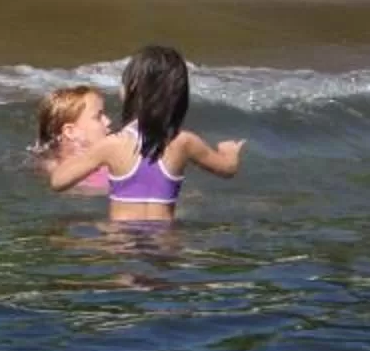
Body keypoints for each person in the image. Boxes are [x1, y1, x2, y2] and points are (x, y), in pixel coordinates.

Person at [39, 45, 243, 221]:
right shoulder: (184, 142)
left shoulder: (113, 145)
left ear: (130, 89)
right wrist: (229, 151)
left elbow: (58, 182)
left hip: (121, 240)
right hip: (164, 239)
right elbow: (228, 169)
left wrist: (79, 155)